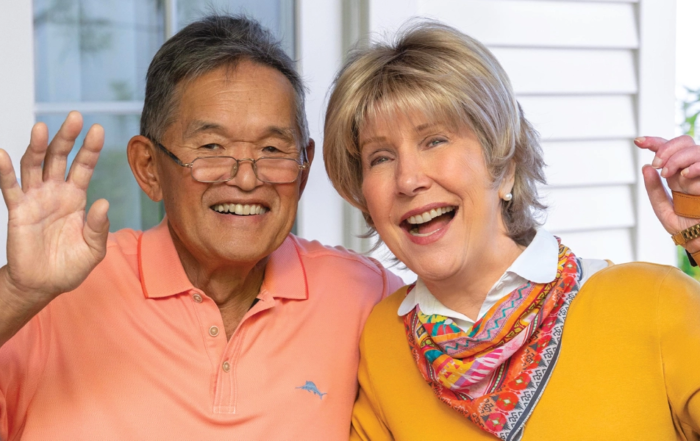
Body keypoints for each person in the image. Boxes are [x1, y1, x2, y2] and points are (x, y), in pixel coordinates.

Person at [0, 15, 403, 440]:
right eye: (212, 148)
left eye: (272, 149)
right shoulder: (53, 295)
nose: (247, 179)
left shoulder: (365, 294)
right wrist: (18, 292)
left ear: (302, 172)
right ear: (148, 167)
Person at [323, 21, 700, 440]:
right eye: (380, 158)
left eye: (434, 141)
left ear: (505, 167)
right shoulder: (381, 342)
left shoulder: (650, 302)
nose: (408, 180)